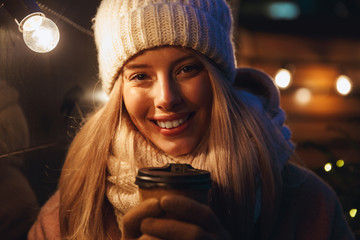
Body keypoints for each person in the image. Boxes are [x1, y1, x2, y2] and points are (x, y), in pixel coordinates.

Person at [28, 0, 355, 239]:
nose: (166, 98)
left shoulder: (305, 201)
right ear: (119, 91)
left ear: (219, 78)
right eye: (141, 76)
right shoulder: (76, 204)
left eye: (187, 68)